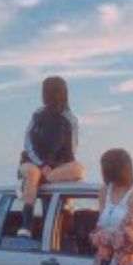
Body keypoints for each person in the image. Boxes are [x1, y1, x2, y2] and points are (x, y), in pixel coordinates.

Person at [16, 76, 84, 237]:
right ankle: (26, 224)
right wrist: (41, 165)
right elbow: (27, 143)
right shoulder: (38, 115)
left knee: (79, 169)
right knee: (33, 173)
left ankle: (42, 190)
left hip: (55, 166)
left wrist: (64, 169)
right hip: (32, 161)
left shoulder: (71, 119)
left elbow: (72, 149)